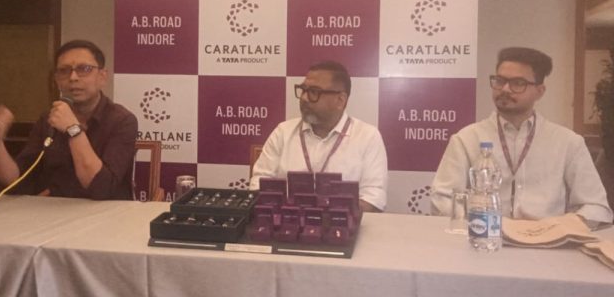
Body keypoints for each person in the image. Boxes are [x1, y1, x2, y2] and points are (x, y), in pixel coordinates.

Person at [431, 47, 613, 225]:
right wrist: (481, 222)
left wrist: (558, 226)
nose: (505, 89)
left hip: (547, 240)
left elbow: (596, 207)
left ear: (540, 91)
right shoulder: (466, 139)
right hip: (484, 237)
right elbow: (441, 199)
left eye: (518, 83)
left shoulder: (568, 142)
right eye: (500, 81)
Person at [0, 40, 137, 200]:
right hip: (55, 211)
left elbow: (101, 188)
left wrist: (73, 129)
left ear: (102, 77)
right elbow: (17, 179)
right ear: (57, 80)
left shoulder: (122, 121)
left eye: (84, 69)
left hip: (108, 213)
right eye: (64, 71)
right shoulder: (49, 119)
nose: (73, 77)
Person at [250, 60, 388, 212]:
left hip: (342, 223)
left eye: (314, 92)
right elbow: (258, 183)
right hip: (287, 222)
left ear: (340, 100)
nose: (304, 98)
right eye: (303, 90)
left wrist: (332, 215)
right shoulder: (283, 132)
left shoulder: (367, 136)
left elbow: (373, 199)